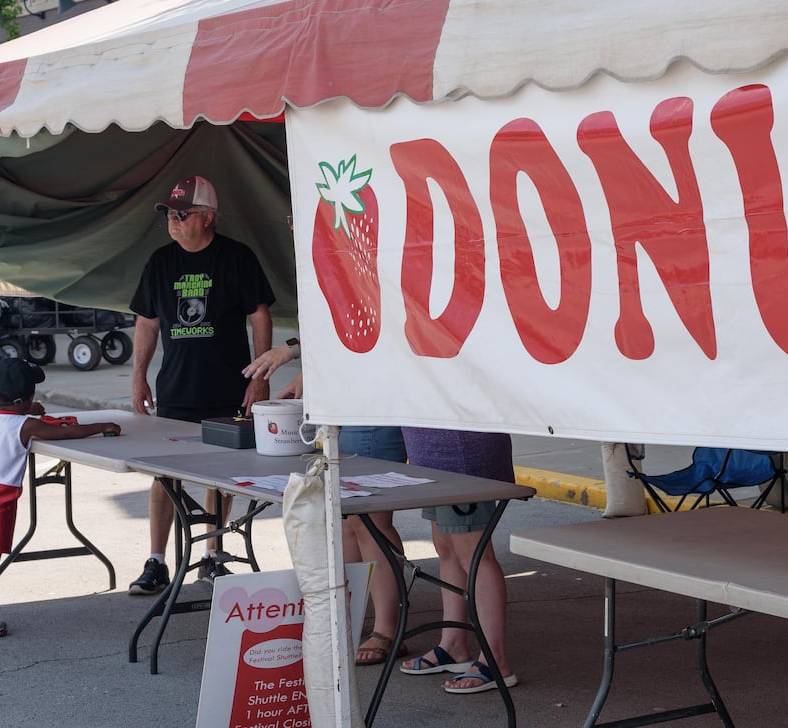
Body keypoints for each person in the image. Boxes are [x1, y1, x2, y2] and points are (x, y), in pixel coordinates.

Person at [128, 174, 275, 594]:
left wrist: (260, 376)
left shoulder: (237, 257)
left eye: (182, 213)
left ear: (209, 217)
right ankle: (156, 560)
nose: (173, 221)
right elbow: (146, 321)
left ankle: (211, 555)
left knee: (220, 476)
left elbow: (259, 314)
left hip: (228, 386)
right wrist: (138, 375)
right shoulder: (160, 262)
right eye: (169, 214)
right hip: (175, 388)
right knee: (163, 478)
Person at [245, 340, 409, 666]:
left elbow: (351, 324)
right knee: (346, 520)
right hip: (349, 401)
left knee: (371, 521)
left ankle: (388, 628)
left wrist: (290, 351)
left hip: (372, 403)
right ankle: (352, 618)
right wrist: (309, 375)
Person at [0, 357, 121, 639]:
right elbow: (67, 431)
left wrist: (27, 410)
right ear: (25, 399)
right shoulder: (26, 426)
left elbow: (13, 414)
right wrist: (102, 425)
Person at [397, 427, 519, 694]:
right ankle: (453, 646)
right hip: (430, 445)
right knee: (446, 548)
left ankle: (495, 660)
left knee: (473, 554)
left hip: (459, 448)